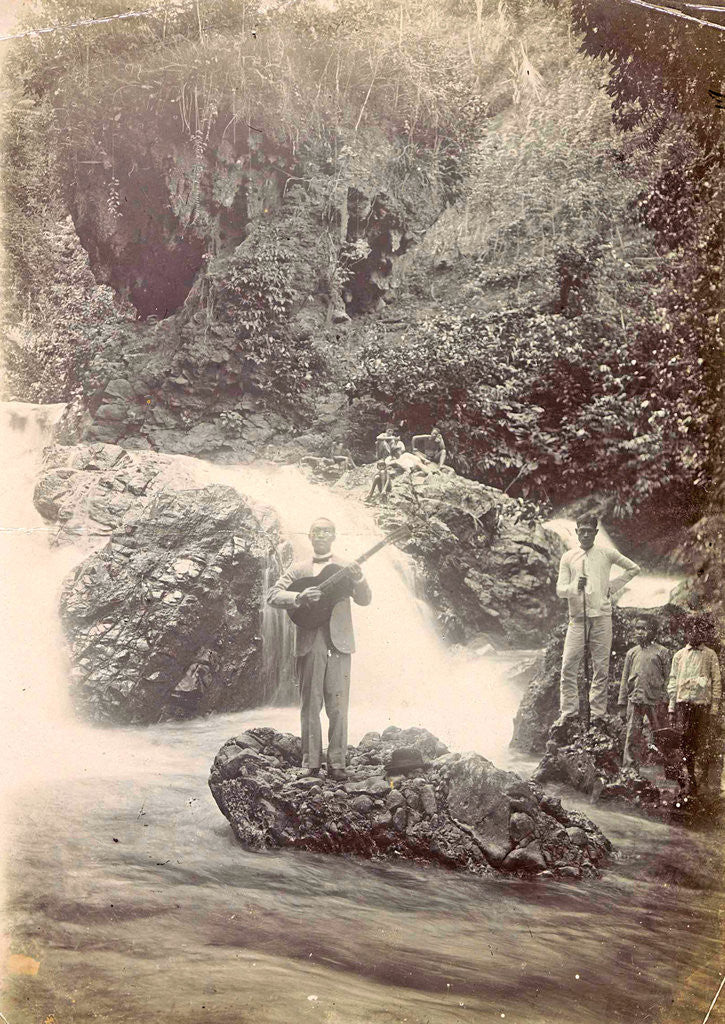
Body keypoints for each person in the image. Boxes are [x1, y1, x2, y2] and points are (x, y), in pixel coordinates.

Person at [267, 518, 372, 780]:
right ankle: (310, 763)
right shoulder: (299, 569)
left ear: (334, 536)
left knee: (338, 704)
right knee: (310, 703)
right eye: (317, 531)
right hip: (310, 640)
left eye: (327, 531)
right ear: (310, 535)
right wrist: (299, 597)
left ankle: (337, 763)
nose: (322, 535)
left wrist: (360, 579)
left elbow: (365, 599)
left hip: (340, 641)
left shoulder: (346, 566)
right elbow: (273, 595)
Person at [555, 512, 640, 729]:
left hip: (602, 617)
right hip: (578, 619)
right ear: (576, 532)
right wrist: (576, 587)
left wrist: (611, 587)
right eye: (581, 530)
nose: (584, 534)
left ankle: (598, 714)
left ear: (595, 532)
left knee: (600, 668)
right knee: (568, 666)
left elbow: (633, 568)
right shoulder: (568, 557)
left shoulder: (607, 553)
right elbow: (560, 590)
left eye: (589, 531)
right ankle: (569, 713)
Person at [668, 615, 722, 794]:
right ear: (686, 632)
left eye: (699, 630)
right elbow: (673, 682)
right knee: (684, 743)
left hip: (702, 707)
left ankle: (700, 782)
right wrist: (671, 707)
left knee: (701, 742)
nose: (694, 633)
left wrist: (714, 708)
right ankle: (687, 780)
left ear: (704, 633)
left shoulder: (710, 654)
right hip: (684, 706)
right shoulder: (679, 655)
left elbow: (716, 682)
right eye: (690, 630)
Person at [617, 616, 670, 767]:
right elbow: (624, 679)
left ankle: (663, 767)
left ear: (653, 632)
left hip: (655, 701)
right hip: (635, 700)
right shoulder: (631, 653)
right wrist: (622, 703)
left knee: (659, 734)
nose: (639, 632)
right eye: (637, 628)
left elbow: (668, 678)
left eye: (644, 629)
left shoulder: (662, 652)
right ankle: (629, 769)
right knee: (632, 735)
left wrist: (665, 700)